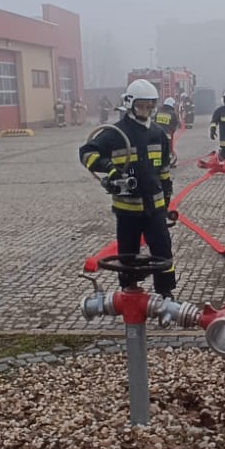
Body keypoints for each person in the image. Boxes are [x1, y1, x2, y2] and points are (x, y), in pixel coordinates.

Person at [80, 79, 176, 296]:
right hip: (127, 212)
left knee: (163, 251)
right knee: (127, 255)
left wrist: (167, 196)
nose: (147, 110)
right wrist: (109, 168)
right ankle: (128, 292)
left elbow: (163, 170)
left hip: (155, 210)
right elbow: (86, 153)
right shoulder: (115, 133)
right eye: (142, 106)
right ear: (130, 104)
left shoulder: (158, 134)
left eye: (151, 105)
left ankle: (166, 294)